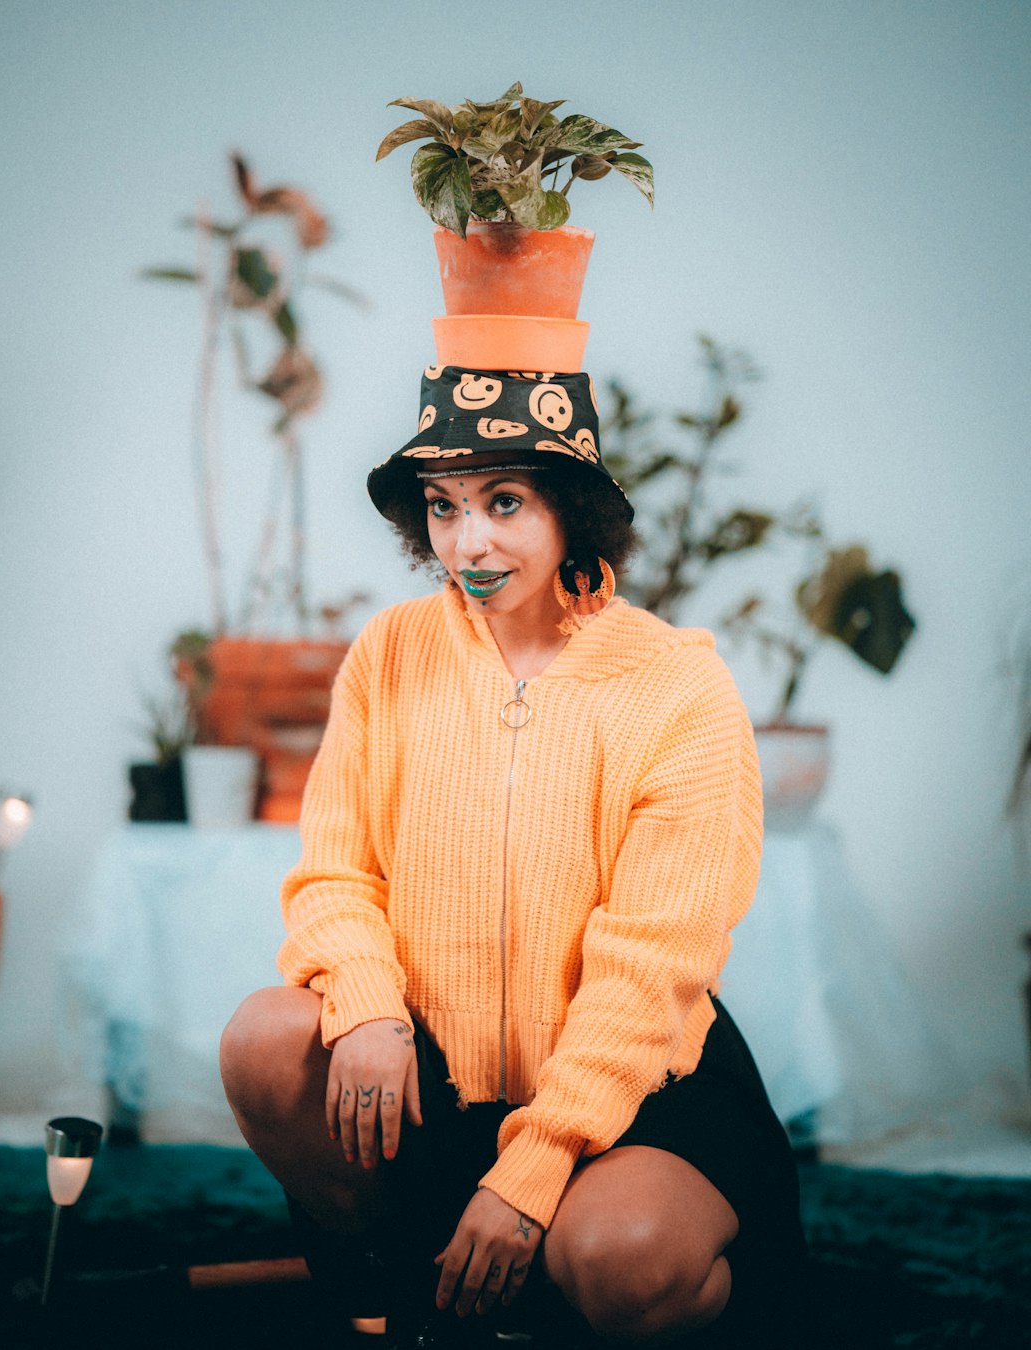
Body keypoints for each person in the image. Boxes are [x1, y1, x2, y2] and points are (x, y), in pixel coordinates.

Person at [220, 367, 805, 1348]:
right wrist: (366, 1003)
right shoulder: (390, 655)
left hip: (632, 1092)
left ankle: (633, 1294)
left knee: (621, 1258)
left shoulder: (679, 686)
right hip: (434, 1079)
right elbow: (334, 869)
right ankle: (394, 1292)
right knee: (265, 1039)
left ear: (569, 504)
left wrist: (535, 1170)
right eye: (443, 508)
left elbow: (652, 963)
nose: (470, 543)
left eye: (503, 502)